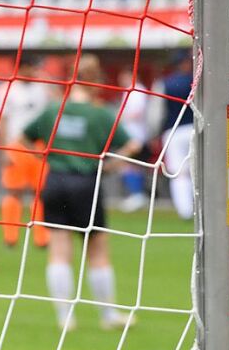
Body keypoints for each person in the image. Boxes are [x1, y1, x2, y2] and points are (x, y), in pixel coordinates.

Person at [21, 55, 140, 331]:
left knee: (59, 250)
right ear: (96, 80)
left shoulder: (54, 110)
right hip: (86, 183)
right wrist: (109, 165)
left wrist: (46, 159)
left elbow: (23, 137)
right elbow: (133, 145)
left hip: (55, 181)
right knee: (97, 250)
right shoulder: (99, 114)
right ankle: (108, 316)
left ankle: (65, 318)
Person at [0, 55, 52, 248]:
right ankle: (11, 235)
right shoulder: (6, 90)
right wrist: (3, 150)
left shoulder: (42, 89)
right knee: (14, 190)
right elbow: (2, 121)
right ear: (22, 67)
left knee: (40, 192)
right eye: (32, 68)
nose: (34, 72)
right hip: (15, 144)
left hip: (38, 146)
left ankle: (41, 237)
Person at [157, 52, 194, 220]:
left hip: (174, 131)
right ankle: (192, 210)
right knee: (196, 172)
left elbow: (157, 112)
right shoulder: (198, 81)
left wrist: (154, 133)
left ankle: (185, 211)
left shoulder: (165, 83)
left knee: (179, 173)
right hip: (195, 129)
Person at [116, 69, 150, 213]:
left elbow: (137, 112)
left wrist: (121, 118)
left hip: (136, 135)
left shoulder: (138, 91)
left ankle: (138, 195)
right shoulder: (129, 90)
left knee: (131, 165)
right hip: (129, 134)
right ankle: (137, 195)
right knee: (129, 165)